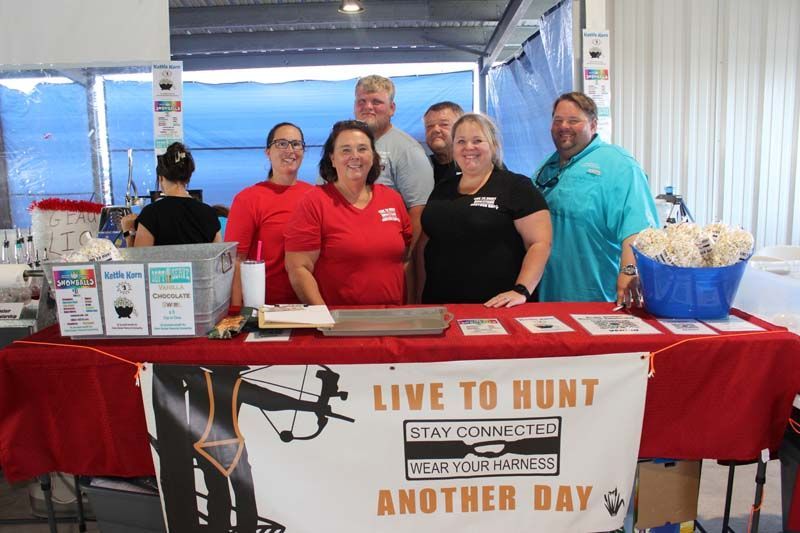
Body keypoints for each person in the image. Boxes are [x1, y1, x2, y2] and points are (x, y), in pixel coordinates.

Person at [533, 92, 659, 305]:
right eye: (558, 120)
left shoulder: (618, 164)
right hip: (548, 294)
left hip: (597, 295)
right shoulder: (546, 166)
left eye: (573, 120)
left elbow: (639, 227)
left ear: (593, 125)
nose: (564, 126)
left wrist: (629, 271)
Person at [418, 113, 552, 307]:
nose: (468, 147)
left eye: (477, 140)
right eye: (461, 141)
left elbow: (540, 243)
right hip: (441, 304)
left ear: (493, 145)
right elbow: (426, 244)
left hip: (496, 307)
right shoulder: (442, 188)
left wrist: (521, 290)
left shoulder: (516, 187)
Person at [284, 120, 412, 306]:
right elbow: (298, 268)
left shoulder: (392, 198)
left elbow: (406, 257)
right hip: (339, 324)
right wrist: (324, 319)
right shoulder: (314, 202)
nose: (355, 156)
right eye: (345, 150)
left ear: (373, 156)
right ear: (332, 159)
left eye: (362, 149)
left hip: (392, 319)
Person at [225, 123, 313, 305]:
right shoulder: (248, 199)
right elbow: (236, 261)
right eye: (282, 143)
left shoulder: (315, 196)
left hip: (311, 303)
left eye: (296, 144)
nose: (290, 150)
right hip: (266, 309)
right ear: (268, 152)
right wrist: (236, 313)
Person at [353, 75, 432, 249]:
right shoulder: (340, 146)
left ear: (392, 108)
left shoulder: (408, 150)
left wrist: (406, 256)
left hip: (387, 253)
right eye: (361, 101)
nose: (368, 107)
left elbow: (419, 210)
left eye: (376, 101)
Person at [121, 142, 221, 247]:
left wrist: (128, 233)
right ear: (187, 178)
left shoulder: (151, 214)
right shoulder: (209, 214)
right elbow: (220, 258)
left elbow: (139, 260)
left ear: (161, 178)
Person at [423, 101, 464, 183]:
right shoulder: (420, 166)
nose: (436, 130)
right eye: (429, 126)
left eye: (444, 124)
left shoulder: (473, 166)